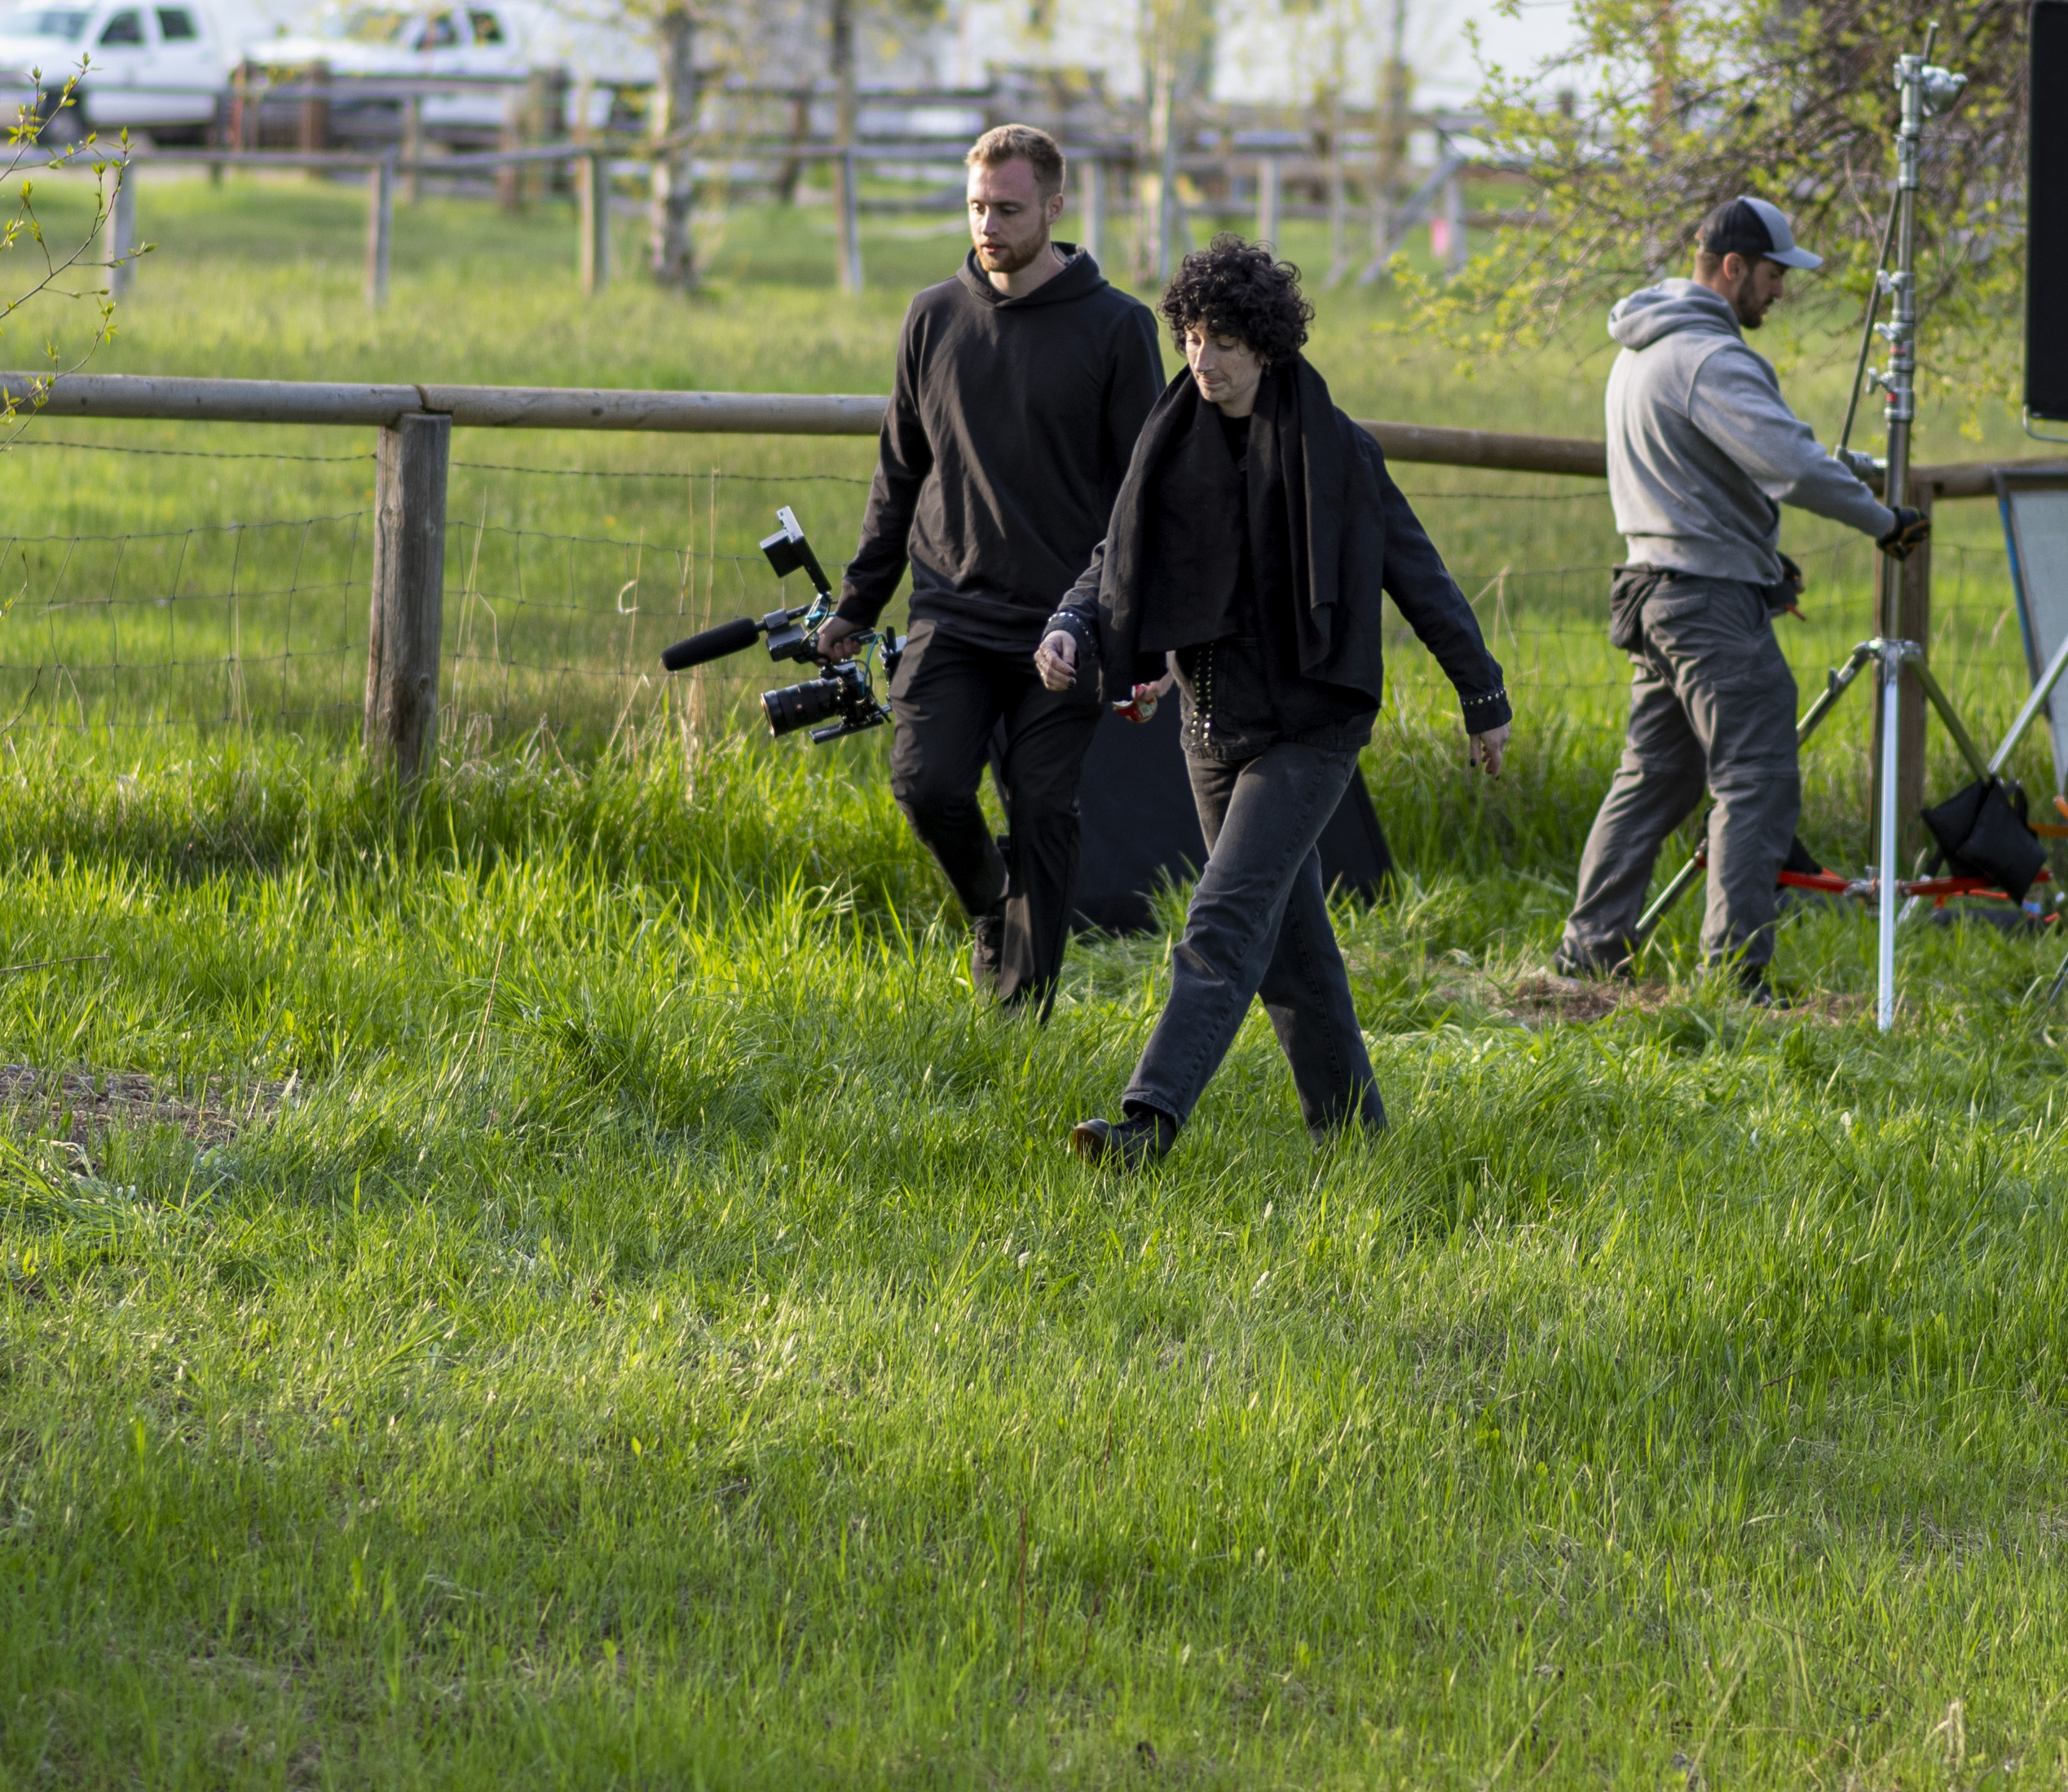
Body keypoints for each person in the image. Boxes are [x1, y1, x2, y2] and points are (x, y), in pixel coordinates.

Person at [1035, 242, 1511, 1167]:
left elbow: (1419, 574)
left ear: (1266, 344)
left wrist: (1481, 694)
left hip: (1310, 725)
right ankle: (1354, 1138)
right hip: (1209, 726)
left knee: (1221, 921)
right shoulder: (1169, 441)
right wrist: (1070, 623)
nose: (1202, 360)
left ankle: (1148, 1122)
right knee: (1291, 949)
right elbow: (1117, 553)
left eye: (1222, 342)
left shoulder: (1337, 452)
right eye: (1190, 337)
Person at [821, 124, 1161, 1012]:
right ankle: (990, 903)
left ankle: (1020, 1018)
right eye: (976, 207)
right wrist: (859, 601)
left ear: (1054, 206)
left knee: (1044, 808)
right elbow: (900, 470)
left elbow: (1144, 497)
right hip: (953, 613)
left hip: (1065, 627)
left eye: (1007, 209)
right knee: (925, 783)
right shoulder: (933, 317)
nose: (987, 225)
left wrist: (1138, 628)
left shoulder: (1118, 328)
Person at [1554, 197, 1925, 992]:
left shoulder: (1642, 348)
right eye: (1773, 274)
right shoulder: (1707, 356)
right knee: (1757, 775)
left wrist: (1756, 553)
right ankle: (1733, 979)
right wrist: (1884, 520)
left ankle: (1587, 954)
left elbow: (1704, 482)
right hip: (1706, 605)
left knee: (1655, 778)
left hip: (1654, 590)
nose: (1780, 291)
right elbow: (1790, 463)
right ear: (1732, 267)